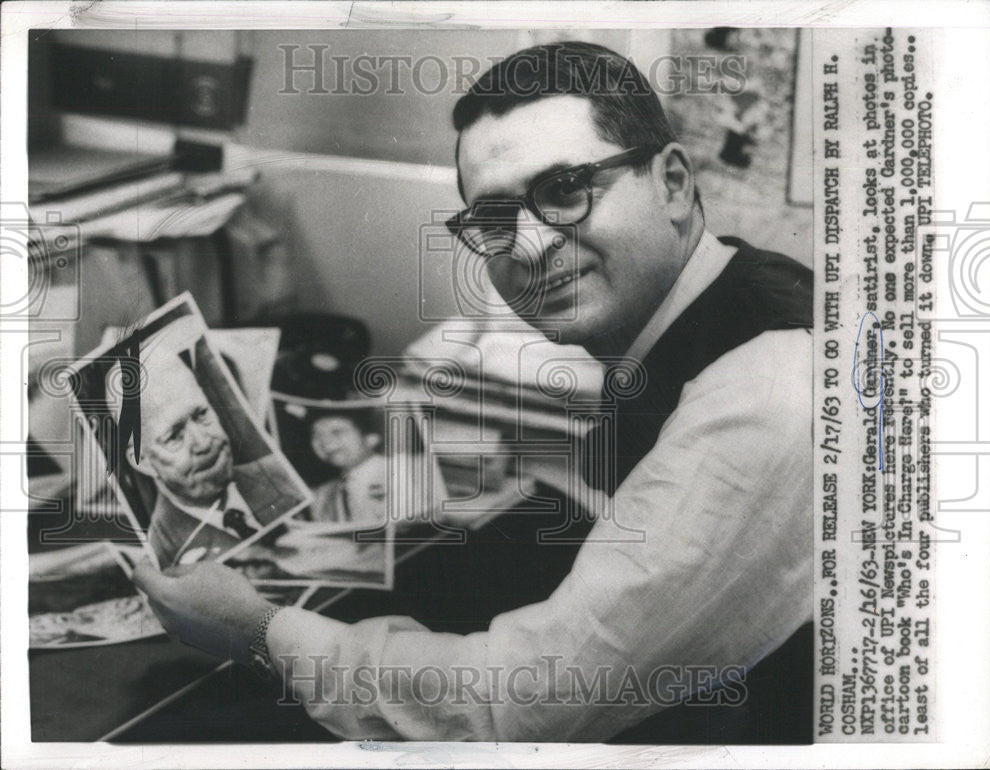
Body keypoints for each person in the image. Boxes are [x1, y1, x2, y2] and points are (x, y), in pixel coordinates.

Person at [134, 41, 813, 742]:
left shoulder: (761, 394)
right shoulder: (719, 301)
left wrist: (257, 632)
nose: (528, 246)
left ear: (672, 183)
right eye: (493, 221)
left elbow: (521, 706)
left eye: (564, 190)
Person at [111, 327, 306, 568]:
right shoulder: (162, 553)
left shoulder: (281, 476)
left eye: (201, 414)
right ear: (143, 461)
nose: (203, 442)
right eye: (174, 437)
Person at [309, 411, 387, 524]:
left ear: (371, 438)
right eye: (316, 435)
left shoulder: (403, 474)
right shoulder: (322, 495)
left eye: (337, 432)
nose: (325, 442)